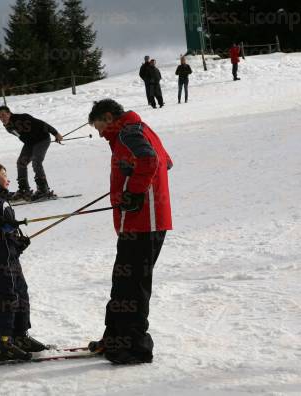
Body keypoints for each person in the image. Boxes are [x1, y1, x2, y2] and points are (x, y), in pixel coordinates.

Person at [87, 99, 173, 365]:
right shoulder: (138, 128)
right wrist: (128, 177)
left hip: (145, 221)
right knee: (122, 282)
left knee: (133, 286)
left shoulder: (128, 132)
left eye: (100, 127)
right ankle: (115, 339)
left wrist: (134, 190)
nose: (100, 134)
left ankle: (134, 348)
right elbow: (166, 162)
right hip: (137, 222)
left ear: (110, 117)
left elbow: (152, 160)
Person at [0, 162, 47, 362]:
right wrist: (1, 223)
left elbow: (5, 228)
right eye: (4, 175)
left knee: (21, 292)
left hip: (9, 253)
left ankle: (19, 336)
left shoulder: (1, 198)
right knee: (8, 296)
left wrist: (18, 241)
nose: (8, 179)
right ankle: (1, 343)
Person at [0, 106, 63, 201]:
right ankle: (24, 190)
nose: (2, 118)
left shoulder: (23, 118)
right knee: (21, 163)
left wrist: (56, 134)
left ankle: (43, 190)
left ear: (9, 113)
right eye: (0, 117)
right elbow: (22, 136)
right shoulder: (8, 127)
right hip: (30, 144)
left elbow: (43, 124)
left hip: (42, 139)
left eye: (3, 115)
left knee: (36, 161)